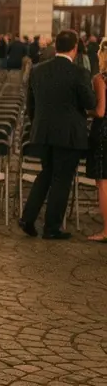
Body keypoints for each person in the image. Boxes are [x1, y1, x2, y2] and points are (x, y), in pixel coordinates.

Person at [19, 29, 95, 241]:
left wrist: (38, 125)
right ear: (75, 48)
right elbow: (90, 103)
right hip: (69, 135)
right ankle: (52, 228)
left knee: (45, 174)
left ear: (56, 46)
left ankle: (28, 218)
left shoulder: (38, 70)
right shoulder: (79, 73)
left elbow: (30, 105)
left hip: (43, 132)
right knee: (62, 179)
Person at [85, 42, 107, 242]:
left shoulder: (101, 79)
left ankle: (106, 230)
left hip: (104, 133)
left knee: (103, 183)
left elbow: (100, 111)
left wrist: (86, 111)